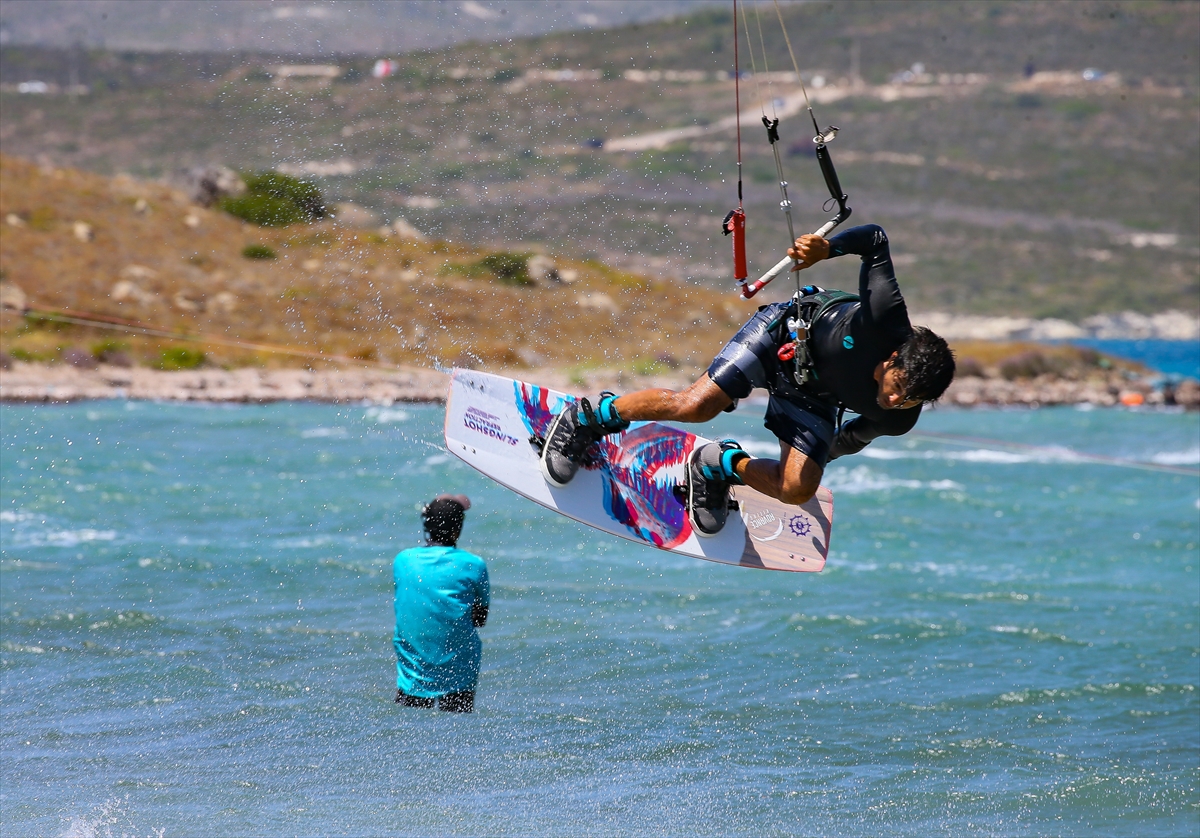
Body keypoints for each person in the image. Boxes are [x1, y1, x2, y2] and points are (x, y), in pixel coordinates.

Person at [539, 223, 955, 536]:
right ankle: (591, 416)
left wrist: (805, 464)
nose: (894, 400)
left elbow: (844, 441)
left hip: (813, 394)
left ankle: (717, 467)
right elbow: (876, 240)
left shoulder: (899, 417)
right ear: (894, 356)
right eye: (897, 387)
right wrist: (828, 249)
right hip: (784, 335)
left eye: (908, 400)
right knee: (695, 406)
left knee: (797, 489)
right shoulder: (886, 318)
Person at [392, 493, 490, 713]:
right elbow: (480, 619)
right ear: (458, 529)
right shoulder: (474, 565)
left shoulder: (403, 560)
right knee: (456, 729)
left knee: (410, 726)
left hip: (413, 671)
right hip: (460, 673)